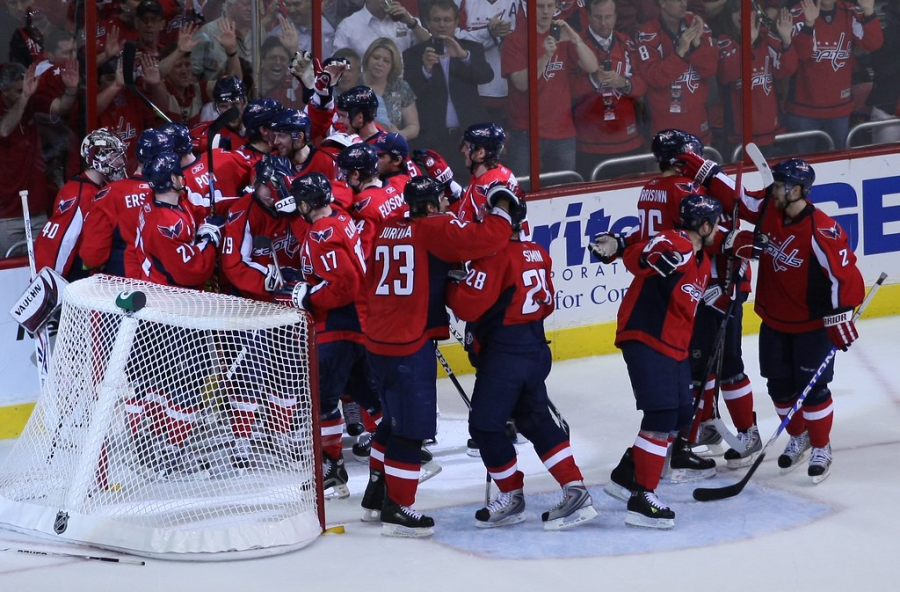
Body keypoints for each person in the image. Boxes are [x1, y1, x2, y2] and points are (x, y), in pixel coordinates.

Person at [362, 176, 519, 537]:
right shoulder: (436, 226)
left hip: (378, 341)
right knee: (411, 431)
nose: (447, 208)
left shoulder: (389, 227)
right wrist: (501, 208)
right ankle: (398, 509)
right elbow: (489, 238)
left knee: (392, 422)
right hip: (408, 343)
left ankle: (376, 494)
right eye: (442, 204)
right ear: (431, 207)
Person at [447, 185, 598, 531]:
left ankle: (512, 497)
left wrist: (451, 285)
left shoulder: (495, 257)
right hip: (534, 350)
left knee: (484, 426)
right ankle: (575, 489)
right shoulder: (537, 252)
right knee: (535, 421)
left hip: (505, 358)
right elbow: (546, 302)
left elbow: (468, 304)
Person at [743, 158, 865, 482]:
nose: (773, 190)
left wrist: (842, 313)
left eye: (779, 184)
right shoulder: (769, 208)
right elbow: (736, 200)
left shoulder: (819, 228)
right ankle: (799, 436)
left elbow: (846, 275)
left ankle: (821, 446)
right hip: (773, 320)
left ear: (797, 190)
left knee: (813, 391)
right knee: (779, 387)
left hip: (812, 326)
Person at [611, 193, 724, 529]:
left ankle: (625, 476)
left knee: (681, 413)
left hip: (673, 344)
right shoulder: (677, 241)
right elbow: (643, 253)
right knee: (660, 414)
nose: (720, 228)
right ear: (703, 226)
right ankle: (642, 497)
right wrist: (651, 256)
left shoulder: (703, 257)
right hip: (646, 336)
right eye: (716, 223)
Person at [275, 172, 381, 500]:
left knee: (322, 401)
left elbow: (343, 284)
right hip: (358, 323)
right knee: (366, 394)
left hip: (339, 326)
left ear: (307, 204)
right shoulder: (340, 219)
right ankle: (406, 449)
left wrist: (308, 296)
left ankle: (333, 471)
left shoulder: (323, 233)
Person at [500, 0, 598, 176]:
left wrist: (576, 39)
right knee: (522, 191)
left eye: (549, 6)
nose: (545, 11)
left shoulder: (562, 34)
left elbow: (592, 67)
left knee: (563, 190)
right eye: (539, 6)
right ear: (530, 8)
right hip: (525, 132)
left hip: (562, 130)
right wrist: (545, 57)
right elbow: (521, 84)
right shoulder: (515, 39)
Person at [402, 0, 493, 178]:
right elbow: (408, 93)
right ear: (427, 23)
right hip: (433, 141)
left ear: (456, 22)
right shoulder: (413, 54)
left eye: (447, 20)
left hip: (468, 140)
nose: (442, 25)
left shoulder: (470, 49)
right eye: (436, 20)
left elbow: (486, 76)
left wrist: (463, 57)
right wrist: (425, 70)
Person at [784, 0, 882, 151]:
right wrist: (809, 24)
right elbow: (801, 55)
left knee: (838, 168)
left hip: (838, 109)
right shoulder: (799, 12)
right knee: (802, 168)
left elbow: (872, 44)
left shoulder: (850, 11)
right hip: (804, 110)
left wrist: (869, 10)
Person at [81, 128, 175, 277]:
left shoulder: (111, 194)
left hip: (123, 286)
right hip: (167, 285)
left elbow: (92, 255)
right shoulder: (176, 191)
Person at [34, 129, 127, 280]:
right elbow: (63, 243)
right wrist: (52, 284)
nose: (121, 162)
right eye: (116, 156)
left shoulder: (86, 187)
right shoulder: (81, 195)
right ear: (99, 158)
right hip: (73, 279)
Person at [572, 0, 648, 181]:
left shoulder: (627, 43)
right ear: (588, 16)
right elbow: (566, 89)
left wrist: (623, 83)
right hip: (590, 144)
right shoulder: (576, 45)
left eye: (608, 17)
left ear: (615, 17)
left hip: (629, 141)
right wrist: (592, 80)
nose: (604, 23)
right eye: (598, 17)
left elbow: (643, 83)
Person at [716, 1, 796, 156]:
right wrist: (747, 43)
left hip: (768, 129)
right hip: (738, 133)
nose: (741, 14)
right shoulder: (723, 41)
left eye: (746, 10)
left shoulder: (766, 37)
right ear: (728, 16)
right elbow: (727, 75)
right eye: (735, 11)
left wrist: (787, 41)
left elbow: (786, 70)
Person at [633, 0, 717, 144]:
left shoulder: (697, 26)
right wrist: (680, 53)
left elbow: (710, 70)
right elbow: (655, 78)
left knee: (701, 166)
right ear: (662, 3)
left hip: (698, 124)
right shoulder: (646, 33)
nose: (684, 4)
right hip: (664, 130)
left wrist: (697, 45)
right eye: (678, 0)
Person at [0, 63, 51, 258]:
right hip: (7, 216)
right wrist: (24, 97)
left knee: (44, 268)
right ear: (4, 93)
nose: (26, 93)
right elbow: (4, 130)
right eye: (18, 91)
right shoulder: (21, 102)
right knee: (9, 278)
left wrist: (71, 90)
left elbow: (60, 107)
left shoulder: (32, 103)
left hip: (37, 211)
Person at [455, 0, 520, 126]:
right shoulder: (465, 2)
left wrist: (506, 36)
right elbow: (458, 40)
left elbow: (528, 37)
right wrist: (489, 33)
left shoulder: (518, 3)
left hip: (512, 90)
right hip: (475, 91)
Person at [337, 142, 407, 257]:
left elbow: (362, 254)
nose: (343, 178)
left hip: (385, 265)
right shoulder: (399, 183)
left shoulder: (364, 203)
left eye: (345, 173)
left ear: (355, 174)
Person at [455, 122, 522, 226]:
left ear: (481, 153)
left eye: (467, 147)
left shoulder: (489, 185)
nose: (463, 150)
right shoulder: (491, 174)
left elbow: (492, 235)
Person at [362, 37, 420, 141]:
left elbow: (413, 126)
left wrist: (399, 134)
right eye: (376, 58)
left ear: (393, 65)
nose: (380, 63)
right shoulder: (356, 82)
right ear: (368, 58)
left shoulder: (401, 87)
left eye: (386, 61)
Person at [332, 0, 431, 60]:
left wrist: (411, 23)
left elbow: (430, 46)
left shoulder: (404, 19)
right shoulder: (348, 26)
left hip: (402, 88)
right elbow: (338, 64)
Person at [866, 0, 900, 145]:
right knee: (882, 162)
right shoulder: (886, 35)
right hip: (887, 112)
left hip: (886, 109)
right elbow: (880, 69)